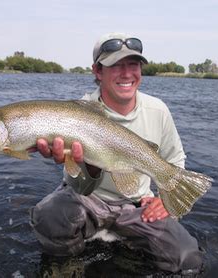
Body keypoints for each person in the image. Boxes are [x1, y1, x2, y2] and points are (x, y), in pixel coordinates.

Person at [30, 32, 203, 274]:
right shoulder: (78, 113)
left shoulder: (158, 110)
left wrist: (165, 202)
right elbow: (79, 186)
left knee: (187, 257)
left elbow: (175, 159)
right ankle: (67, 266)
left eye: (133, 64)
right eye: (115, 65)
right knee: (49, 215)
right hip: (87, 199)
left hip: (135, 203)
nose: (126, 73)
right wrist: (90, 165)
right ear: (98, 72)